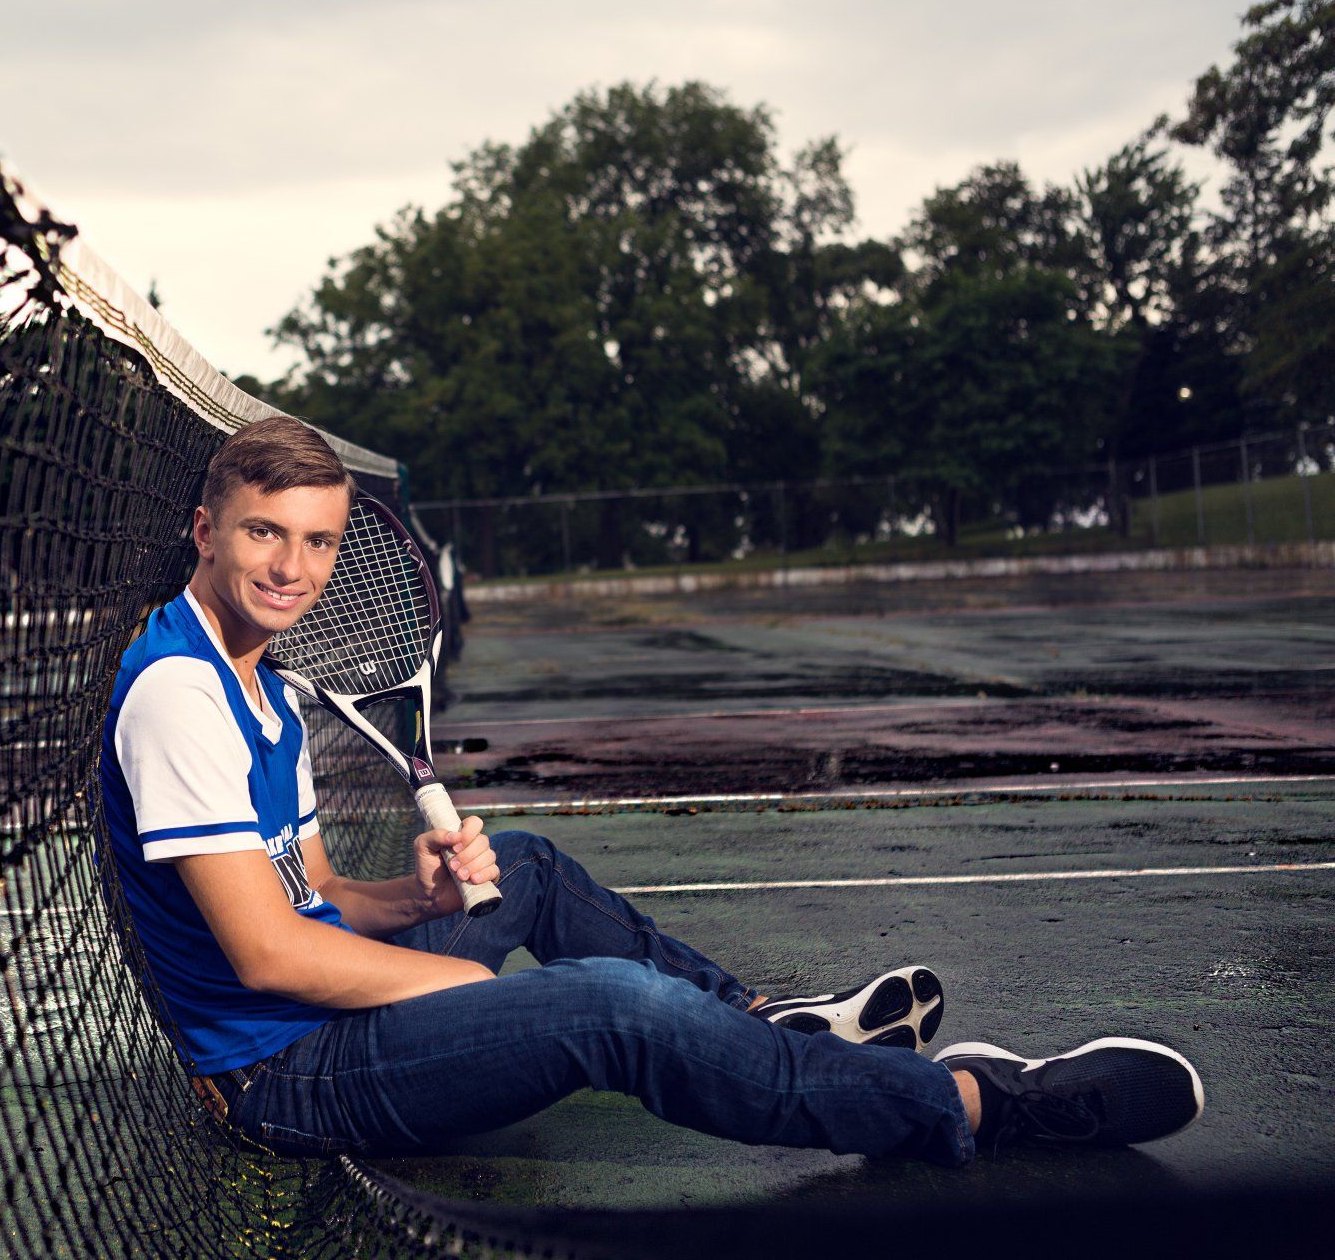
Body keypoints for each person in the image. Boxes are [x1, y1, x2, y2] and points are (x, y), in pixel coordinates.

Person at [98, 416, 1204, 1165]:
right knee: (608, 1005)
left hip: (314, 1018)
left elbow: (319, 891)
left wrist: (426, 902)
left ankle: (760, 1025)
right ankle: (980, 1107)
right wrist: (465, 990)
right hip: (285, 1076)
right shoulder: (179, 696)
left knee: (517, 866)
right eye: (264, 533)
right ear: (207, 531)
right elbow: (271, 954)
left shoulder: (264, 683)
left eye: (318, 540)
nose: (293, 565)